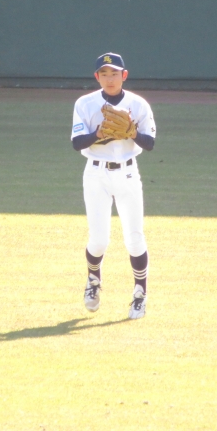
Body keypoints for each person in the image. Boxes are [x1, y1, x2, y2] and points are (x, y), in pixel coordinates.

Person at [71, 52, 156, 319]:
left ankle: (140, 295)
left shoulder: (138, 104)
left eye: (114, 73)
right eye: (104, 74)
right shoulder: (85, 103)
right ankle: (93, 281)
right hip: (95, 174)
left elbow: (150, 143)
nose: (110, 79)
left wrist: (132, 132)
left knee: (134, 239)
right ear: (97, 77)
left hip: (128, 174)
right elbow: (76, 143)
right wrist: (98, 134)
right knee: (98, 241)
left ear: (124, 75)